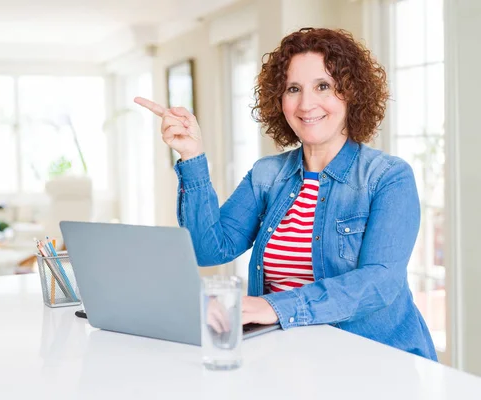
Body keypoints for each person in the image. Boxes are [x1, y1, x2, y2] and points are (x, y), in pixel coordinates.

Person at [135, 27, 437, 361]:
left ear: (350, 93)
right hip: (289, 360)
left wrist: (273, 306)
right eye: (294, 89)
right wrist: (191, 157)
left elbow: (379, 283)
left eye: (323, 86)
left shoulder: (387, 177)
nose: (307, 104)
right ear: (279, 100)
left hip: (375, 361)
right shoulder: (268, 175)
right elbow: (208, 249)